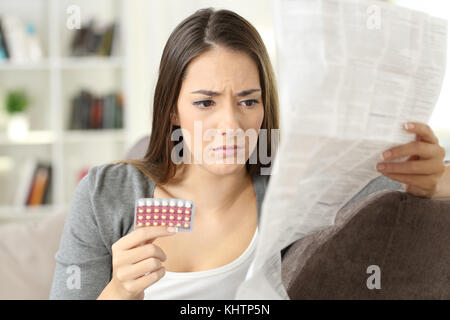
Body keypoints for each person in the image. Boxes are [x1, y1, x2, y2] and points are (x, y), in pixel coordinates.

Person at [49, 8, 449, 300]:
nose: (232, 125)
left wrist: (428, 176)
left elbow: (423, 178)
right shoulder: (103, 196)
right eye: (206, 103)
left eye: (247, 101)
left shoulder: (293, 182)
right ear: (172, 109)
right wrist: (119, 290)